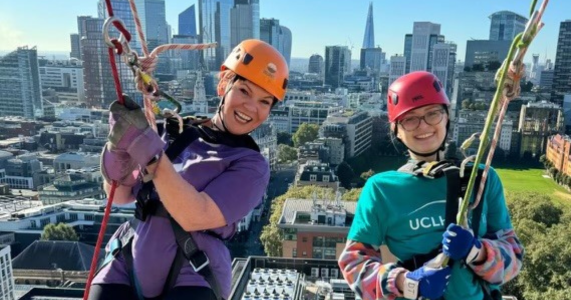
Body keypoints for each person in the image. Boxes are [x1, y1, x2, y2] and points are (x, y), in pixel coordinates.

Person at [90, 39, 289, 300]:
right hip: (131, 256)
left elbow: (196, 215)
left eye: (265, 102)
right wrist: (119, 147)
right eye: (243, 91)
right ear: (222, 85)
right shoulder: (173, 132)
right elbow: (119, 195)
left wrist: (145, 148)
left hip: (194, 267)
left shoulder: (250, 165)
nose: (251, 108)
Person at [337, 71, 524, 300]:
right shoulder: (382, 190)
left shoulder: (481, 179)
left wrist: (476, 252)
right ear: (396, 129)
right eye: (410, 119)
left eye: (432, 113)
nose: (423, 126)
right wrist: (406, 283)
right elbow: (353, 262)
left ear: (446, 116)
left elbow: (513, 258)